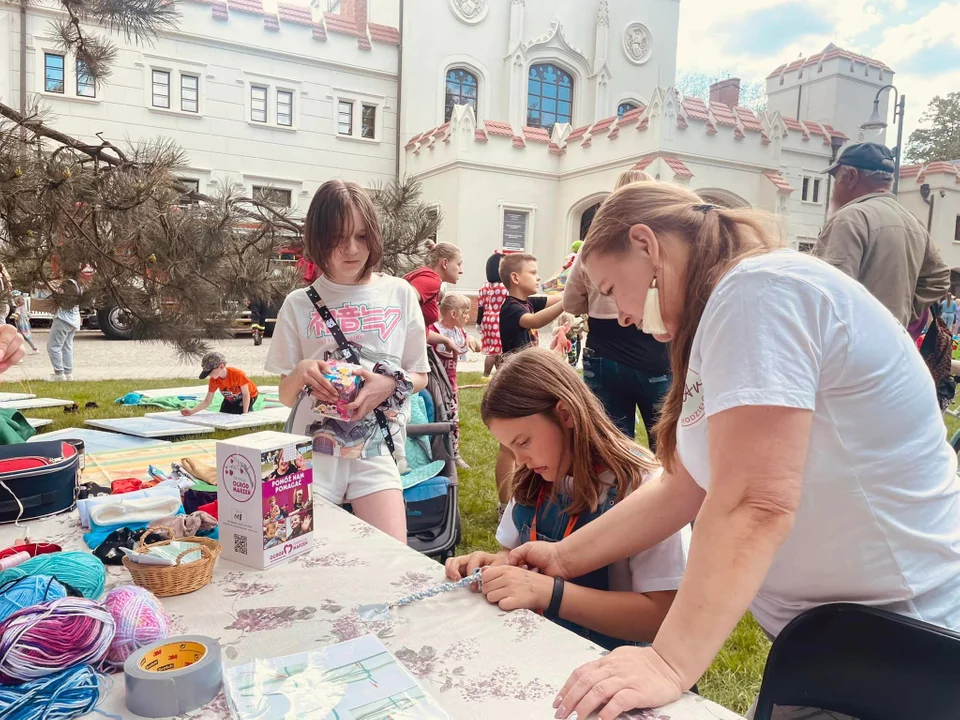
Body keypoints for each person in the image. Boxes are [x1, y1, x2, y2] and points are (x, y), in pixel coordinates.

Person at [507, 182, 960, 720]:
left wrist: (669, 663)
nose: (621, 315)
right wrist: (561, 558)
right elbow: (685, 486)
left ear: (646, 245)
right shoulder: (738, 299)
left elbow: (756, 502)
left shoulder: (756, 291)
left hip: (901, 648)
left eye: (610, 288)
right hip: (851, 648)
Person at [445, 349, 687, 650]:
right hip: (542, 649)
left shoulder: (644, 486)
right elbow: (516, 555)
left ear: (566, 414)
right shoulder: (532, 479)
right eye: (510, 449)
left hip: (613, 665)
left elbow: (662, 616)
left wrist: (552, 593)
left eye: (524, 442)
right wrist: (495, 565)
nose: (520, 459)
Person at [266, 179, 430, 543]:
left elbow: (420, 375)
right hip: (310, 454)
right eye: (337, 239)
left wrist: (390, 383)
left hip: (376, 449)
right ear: (317, 240)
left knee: (392, 560)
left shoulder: (400, 293)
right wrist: (301, 372)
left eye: (361, 236)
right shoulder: (298, 302)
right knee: (306, 562)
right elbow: (284, 395)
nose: (351, 249)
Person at [564, 168, 672, 448]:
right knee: (666, 445)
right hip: (654, 352)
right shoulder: (663, 243)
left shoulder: (593, 246)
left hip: (604, 352)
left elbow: (571, 302)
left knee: (613, 446)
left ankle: (620, 492)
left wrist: (599, 297)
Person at [815, 142, 950, 333]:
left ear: (851, 177)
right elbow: (940, 278)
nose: (834, 189)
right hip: (891, 343)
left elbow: (829, 291)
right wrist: (903, 313)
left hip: (851, 346)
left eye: (837, 180)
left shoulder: (850, 218)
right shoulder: (913, 222)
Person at [494, 252, 564, 517]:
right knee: (509, 447)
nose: (538, 277)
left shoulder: (529, 301)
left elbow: (555, 297)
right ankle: (504, 505)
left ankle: (523, 496)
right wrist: (568, 302)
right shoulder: (511, 308)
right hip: (513, 381)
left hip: (527, 379)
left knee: (525, 440)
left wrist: (575, 285)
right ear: (515, 277)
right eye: (533, 273)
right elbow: (536, 322)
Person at [433, 293, 481, 469]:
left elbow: (479, 348)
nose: (468, 317)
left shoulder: (460, 332)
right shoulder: (434, 330)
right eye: (465, 313)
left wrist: (472, 339)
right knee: (435, 417)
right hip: (434, 384)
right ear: (453, 314)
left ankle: (454, 455)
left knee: (453, 419)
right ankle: (435, 454)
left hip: (451, 385)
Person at [404, 241, 464, 329]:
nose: (461, 271)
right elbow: (404, 297)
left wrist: (446, 341)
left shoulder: (428, 276)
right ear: (445, 263)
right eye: (459, 264)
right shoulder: (432, 280)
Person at [185, 352, 259, 415]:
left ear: (221, 366)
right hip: (231, 398)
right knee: (223, 415)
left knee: (238, 414)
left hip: (250, 395)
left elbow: (246, 394)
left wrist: (245, 414)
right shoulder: (213, 380)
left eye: (210, 371)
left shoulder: (237, 374)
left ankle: (249, 410)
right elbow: (207, 401)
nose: (209, 374)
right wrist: (191, 412)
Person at [477, 252, 507, 380]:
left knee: (494, 350)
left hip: (487, 321)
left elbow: (480, 306)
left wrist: (479, 323)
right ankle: (488, 375)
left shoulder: (484, 287)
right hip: (499, 321)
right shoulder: (504, 287)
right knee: (496, 352)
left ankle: (495, 374)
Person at [47, 275, 82, 382]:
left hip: (63, 319)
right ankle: (68, 373)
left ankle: (59, 374)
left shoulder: (67, 284)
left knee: (53, 346)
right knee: (67, 346)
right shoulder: (76, 285)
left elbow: (58, 297)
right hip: (73, 319)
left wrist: (50, 286)